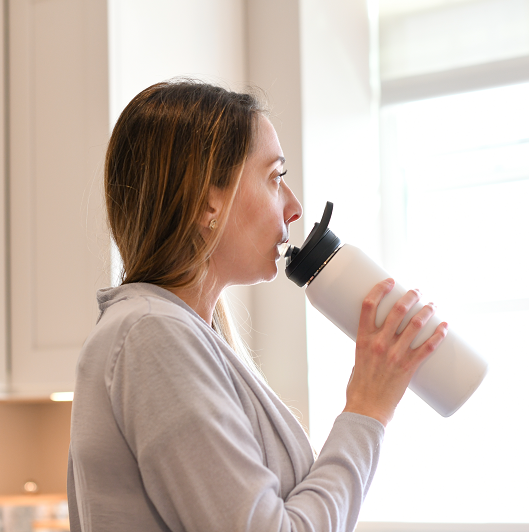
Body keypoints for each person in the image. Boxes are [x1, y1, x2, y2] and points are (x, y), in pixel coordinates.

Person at [67, 79, 448, 532]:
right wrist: (367, 408)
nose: (294, 208)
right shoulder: (150, 335)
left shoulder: (181, 334)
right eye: (275, 178)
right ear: (208, 200)